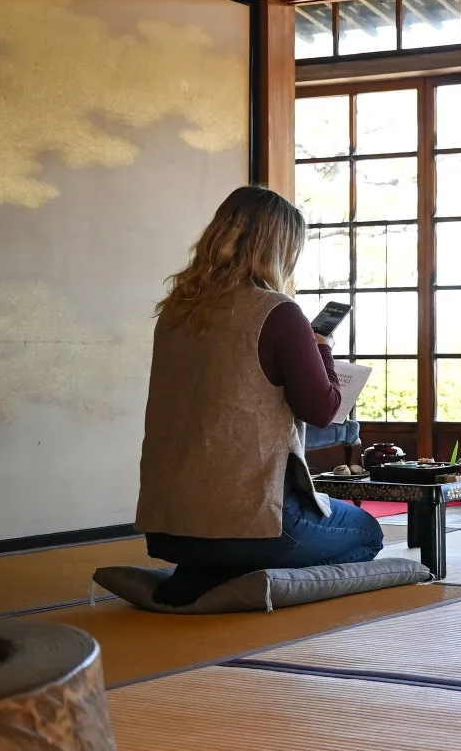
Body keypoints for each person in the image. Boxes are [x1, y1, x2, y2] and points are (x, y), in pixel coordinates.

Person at [136, 185, 384, 605]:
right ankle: (243, 575)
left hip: (170, 528)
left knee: (322, 519)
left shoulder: (177, 310)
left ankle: (207, 571)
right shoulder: (277, 311)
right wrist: (321, 347)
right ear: (281, 249)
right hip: (253, 526)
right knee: (366, 533)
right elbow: (322, 409)